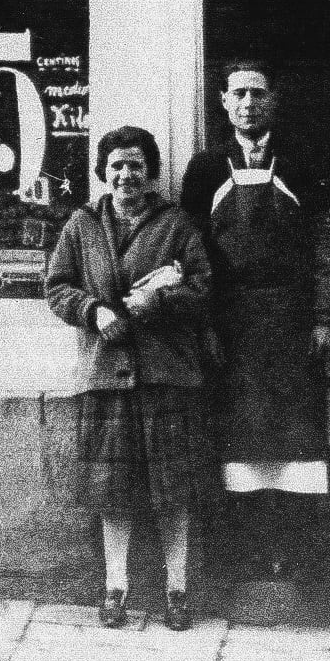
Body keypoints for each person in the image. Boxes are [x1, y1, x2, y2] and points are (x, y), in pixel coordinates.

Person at [45, 126, 214, 632]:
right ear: (103, 171)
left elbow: (206, 289)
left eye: (136, 166)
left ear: (152, 172)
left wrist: (157, 300)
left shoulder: (178, 226)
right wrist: (94, 311)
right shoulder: (81, 226)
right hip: (106, 377)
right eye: (116, 166)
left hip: (167, 374)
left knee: (172, 489)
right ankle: (114, 589)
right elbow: (56, 287)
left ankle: (177, 592)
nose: (126, 176)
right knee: (112, 490)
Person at [181, 57, 330, 581]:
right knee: (238, 438)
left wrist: (324, 316)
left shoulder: (302, 163)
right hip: (231, 325)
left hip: (293, 323)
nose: (248, 104)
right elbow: (190, 252)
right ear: (224, 102)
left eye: (258, 93)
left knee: (296, 438)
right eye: (238, 94)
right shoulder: (206, 170)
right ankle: (242, 556)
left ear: (274, 99)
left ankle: (298, 554)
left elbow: (325, 245)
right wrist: (203, 325)